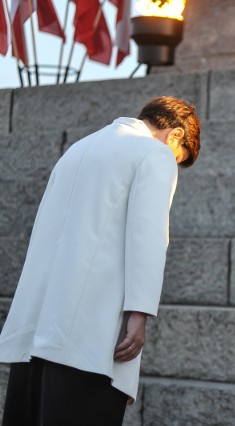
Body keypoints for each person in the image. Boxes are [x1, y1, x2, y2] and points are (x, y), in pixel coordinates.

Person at [0, 96, 201, 425]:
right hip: (89, 342)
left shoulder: (77, 149)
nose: (173, 163)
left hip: (35, 333)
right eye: (179, 158)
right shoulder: (154, 153)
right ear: (175, 136)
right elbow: (148, 235)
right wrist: (140, 312)